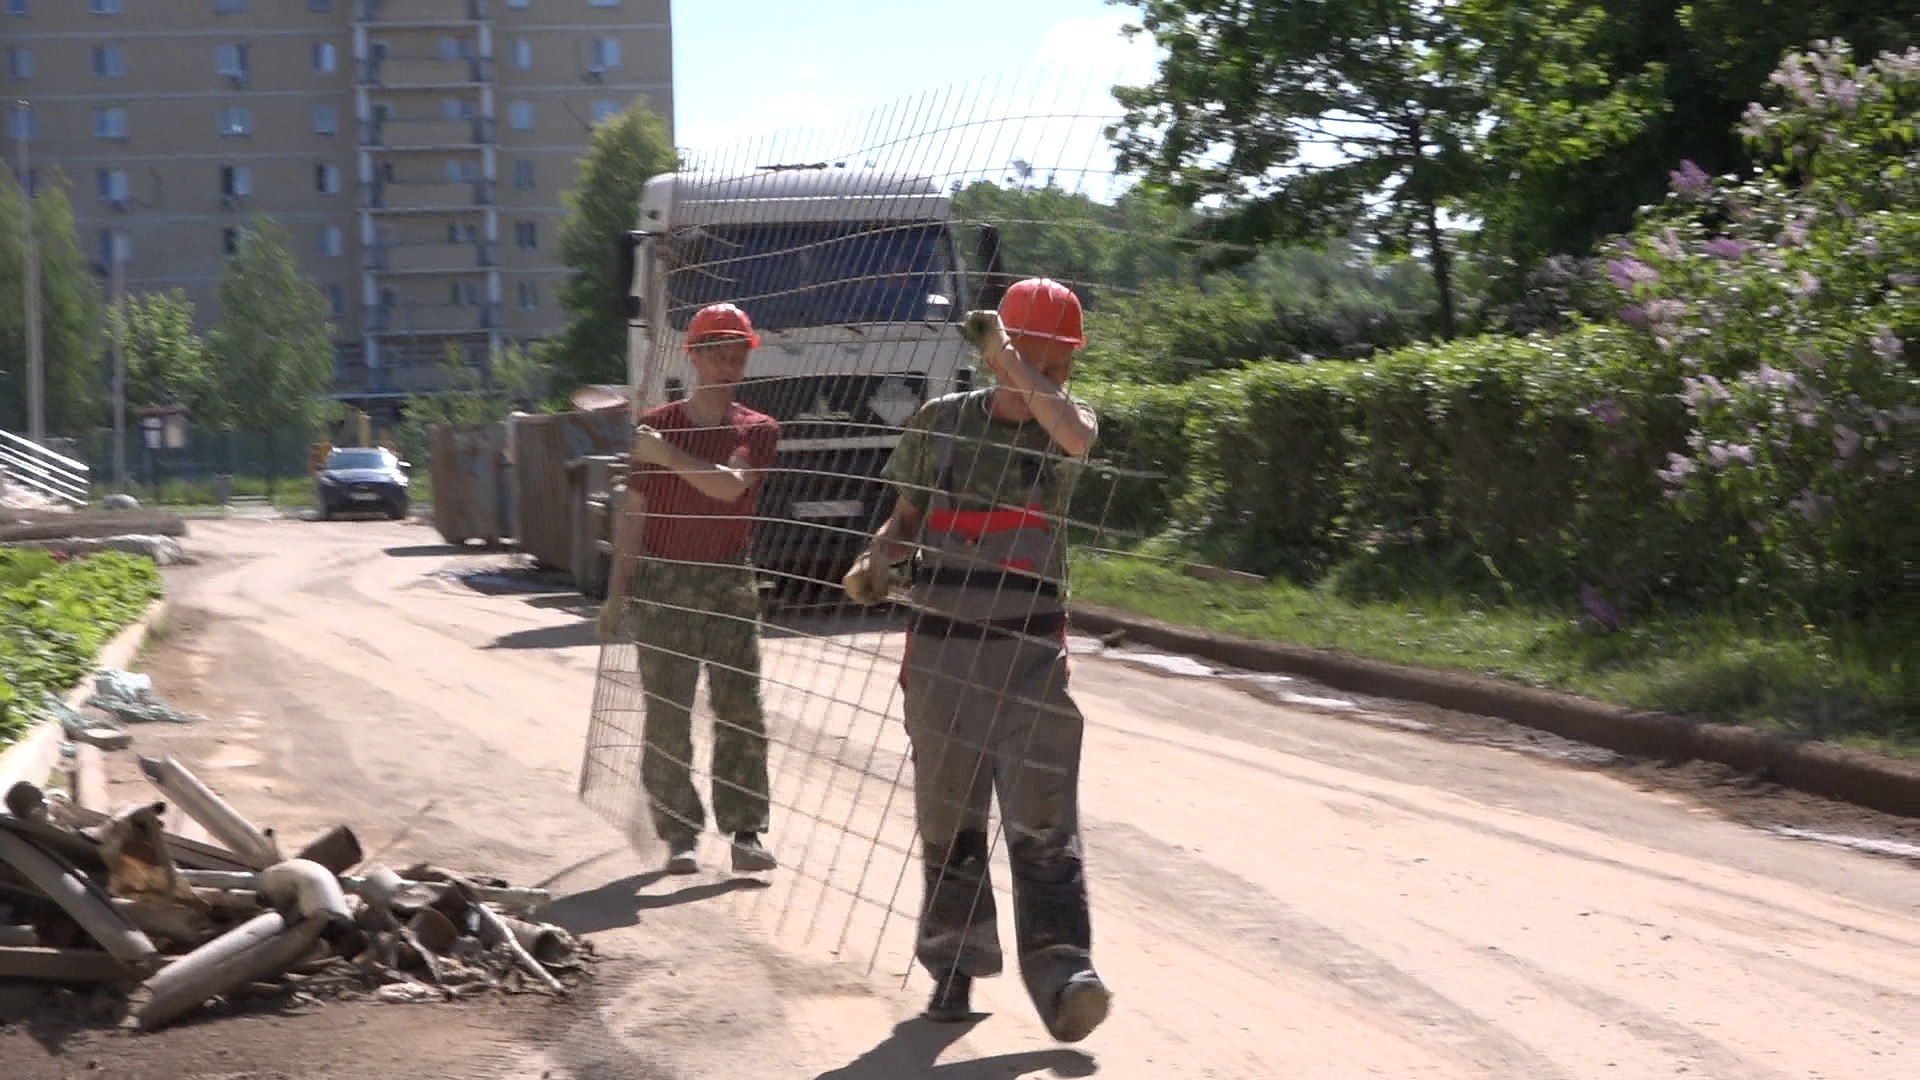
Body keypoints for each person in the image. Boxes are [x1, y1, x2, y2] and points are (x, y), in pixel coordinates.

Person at [841, 278, 1111, 1043]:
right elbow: (904, 519)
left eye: (1061, 367)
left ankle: (1066, 980)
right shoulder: (940, 426)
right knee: (949, 818)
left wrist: (1012, 359)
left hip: (1030, 654)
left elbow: (1079, 436)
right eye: (1043, 363)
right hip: (943, 654)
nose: (1055, 381)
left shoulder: (1062, 430)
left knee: (1043, 819)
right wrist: (878, 560)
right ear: (1003, 358)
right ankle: (953, 972)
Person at [597, 302, 780, 876]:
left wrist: (661, 454)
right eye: (716, 351)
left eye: (736, 352)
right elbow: (635, 512)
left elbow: (727, 488)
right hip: (664, 583)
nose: (727, 362)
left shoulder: (757, 429)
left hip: (728, 582)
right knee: (668, 713)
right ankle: (679, 834)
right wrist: (616, 594)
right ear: (694, 356)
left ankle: (745, 830)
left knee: (740, 709)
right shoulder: (658, 424)